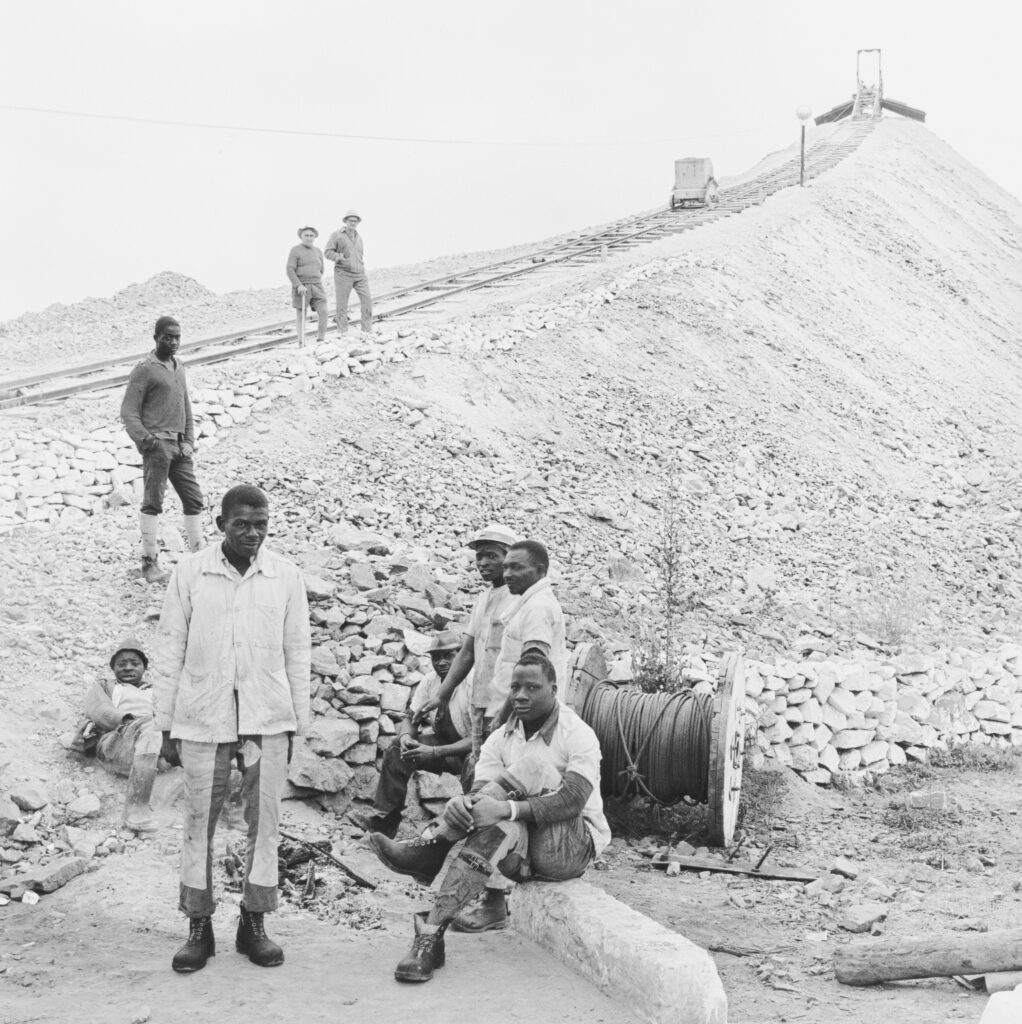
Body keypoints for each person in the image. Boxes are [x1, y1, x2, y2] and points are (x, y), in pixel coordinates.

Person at [368, 653, 610, 983]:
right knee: (496, 826)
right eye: (515, 687)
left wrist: (506, 808)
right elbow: (483, 796)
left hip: (569, 849)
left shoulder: (577, 733)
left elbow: (572, 801)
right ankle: (430, 938)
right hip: (521, 853)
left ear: (554, 689)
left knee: (534, 767)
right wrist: (463, 804)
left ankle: (433, 846)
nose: (520, 695)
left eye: (532, 687)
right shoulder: (500, 737)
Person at [153, 484, 311, 974]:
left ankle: (253, 923)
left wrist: (297, 724)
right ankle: (199, 926)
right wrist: (166, 726)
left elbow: (298, 651)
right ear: (220, 524)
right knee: (198, 821)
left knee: (265, 824)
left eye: (261, 524)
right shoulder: (191, 572)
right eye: (241, 524)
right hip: (203, 717)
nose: (252, 533)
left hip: (267, 719)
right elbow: (169, 647)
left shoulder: (285, 575)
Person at [353, 631, 472, 838]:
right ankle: (382, 825)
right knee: (397, 748)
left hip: (472, 750)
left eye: (448, 656)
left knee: (475, 772)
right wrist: (407, 737)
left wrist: (434, 752)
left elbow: (482, 739)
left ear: (461, 654)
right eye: (436, 657)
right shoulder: (430, 682)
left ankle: (470, 836)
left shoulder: (472, 682)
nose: (441, 662)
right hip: (445, 746)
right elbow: (411, 717)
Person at [422, 524, 518, 765]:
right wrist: (441, 696)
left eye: (492, 556)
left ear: (511, 557)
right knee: (479, 765)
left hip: (509, 705)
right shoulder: (483, 599)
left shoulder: (519, 599)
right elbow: (467, 652)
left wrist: (507, 710)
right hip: (482, 703)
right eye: (479, 556)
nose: (483, 563)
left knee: (503, 767)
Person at [120, 315, 205, 584]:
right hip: (158, 446)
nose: (173, 342)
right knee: (153, 502)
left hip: (180, 447)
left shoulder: (179, 367)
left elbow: (185, 407)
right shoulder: (145, 370)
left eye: (177, 337)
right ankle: (149, 563)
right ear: (156, 338)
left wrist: (188, 441)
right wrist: (148, 441)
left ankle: (200, 560)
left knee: (194, 499)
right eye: (167, 337)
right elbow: (129, 412)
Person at [83, 639, 164, 832]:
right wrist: (128, 720)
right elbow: (98, 709)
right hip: (116, 742)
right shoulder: (105, 686)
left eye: (134, 663)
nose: (128, 667)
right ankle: (135, 809)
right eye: (122, 664)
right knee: (152, 727)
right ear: (113, 668)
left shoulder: (156, 690)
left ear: (144, 667)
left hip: (153, 740)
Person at [490, 539, 568, 712]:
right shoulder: (530, 603)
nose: (507, 575)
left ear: (540, 570)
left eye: (516, 568)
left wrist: (502, 717)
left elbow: (531, 674)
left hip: (523, 712)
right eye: (505, 568)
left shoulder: (537, 608)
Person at [325, 210, 372, 334]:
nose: (353, 223)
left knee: (367, 301)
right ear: (345, 221)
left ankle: (367, 330)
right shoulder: (336, 235)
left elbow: (360, 255)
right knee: (342, 305)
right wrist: (339, 257)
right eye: (350, 220)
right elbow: (327, 252)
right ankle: (342, 332)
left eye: (355, 221)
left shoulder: (359, 237)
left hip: (360, 274)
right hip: (343, 274)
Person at [286, 226, 328, 343]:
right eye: (306, 235)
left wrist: (315, 279)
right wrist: (298, 285)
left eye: (311, 235)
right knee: (301, 314)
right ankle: (301, 340)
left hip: (317, 286)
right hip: (302, 286)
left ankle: (321, 339)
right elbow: (290, 269)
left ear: (315, 237)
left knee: (324, 311)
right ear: (301, 237)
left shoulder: (318, 251)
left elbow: (321, 269)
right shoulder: (295, 250)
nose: (309, 238)